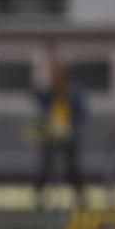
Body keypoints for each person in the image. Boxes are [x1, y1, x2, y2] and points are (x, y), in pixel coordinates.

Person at [33, 61, 86, 206]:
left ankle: (80, 196)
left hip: (69, 133)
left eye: (56, 74)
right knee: (46, 165)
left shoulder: (74, 91)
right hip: (52, 133)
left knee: (73, 166)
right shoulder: (51, 92)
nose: (54, 77)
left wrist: (72, 127)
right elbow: (38, 97)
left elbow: (81, 111)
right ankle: (39, 196)